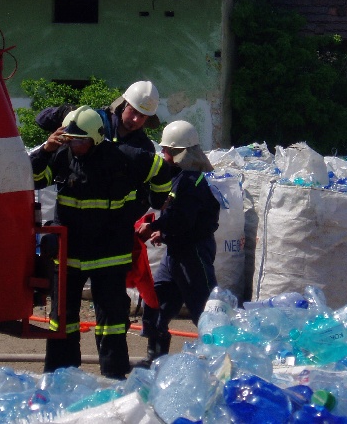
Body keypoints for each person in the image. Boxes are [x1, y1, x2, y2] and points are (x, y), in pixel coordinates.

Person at [30, 105, 171, 379]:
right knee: (62, 319)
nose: (74, 146)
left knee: (112, 322)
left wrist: (151, 201)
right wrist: (46, 149)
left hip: (109, 255)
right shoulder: (62, 155)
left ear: (95, 138)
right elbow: (34, 178)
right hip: (70, 255)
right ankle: (61, 377)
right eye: (70, 140)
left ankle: (114, 377)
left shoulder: (123, 156)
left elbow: (161, 170)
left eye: (79, 141)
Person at [136, 120, 220, 367]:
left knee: (204, 309)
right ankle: (155, 357)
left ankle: (217, 357)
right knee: (157, 300)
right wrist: (164, 234)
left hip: (193, 253)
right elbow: (179, 218)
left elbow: (183, 218)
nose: (163, 154)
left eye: (166, 150)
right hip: (176, 251)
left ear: (177, 152)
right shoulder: (180, 177)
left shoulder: (191, 181)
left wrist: (156, 227)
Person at [36, 80, 160, 153]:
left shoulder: (145, 148)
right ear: (124, 105)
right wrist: (65, 112)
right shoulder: (96, 119)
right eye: (133, 111)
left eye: (142, 116)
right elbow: (42, 120)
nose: (136, 119)